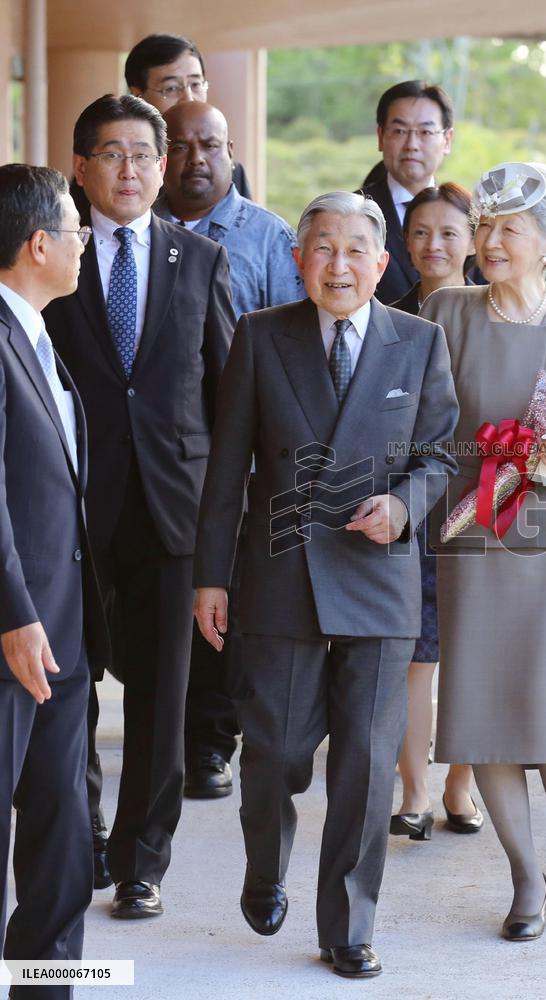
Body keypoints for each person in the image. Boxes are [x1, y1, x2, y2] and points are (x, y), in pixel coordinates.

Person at [193, 192, 458, 979]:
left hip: (378, 575)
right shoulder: (261, 335)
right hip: (279, 572)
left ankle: (348, 925)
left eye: (354, 252)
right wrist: (212, 576)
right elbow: (228, 465)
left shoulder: (420, 341)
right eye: (321, 249)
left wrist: (403, 508)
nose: (337, 266)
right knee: (272, 749)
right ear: (299, 258)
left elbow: (441, 454)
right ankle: (266, 865)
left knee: (369, 765)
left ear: (382, 265)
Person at [43, 94, 235, 919]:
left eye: (142, 155)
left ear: (163, 167)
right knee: (70, 689)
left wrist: (224, 526)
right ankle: (78, 838)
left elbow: (228, 398)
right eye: (111, 154)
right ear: (80, 167)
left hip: (172, 511)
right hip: (72, 506)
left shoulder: (199, 261)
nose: (130, 169)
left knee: (163, 697)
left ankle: (142, 858)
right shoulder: (50, 256)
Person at [421, 162, 546, 938]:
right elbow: (429, 427)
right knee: (481, 705)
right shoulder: (447, 310)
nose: (489, 241)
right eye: (484, 226)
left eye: (509, 228)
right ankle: (523, 875)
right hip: (474, 533)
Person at [157, 100, 303, 799]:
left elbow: (294, 346)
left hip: (244, 454)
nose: (195, 159)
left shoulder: (268, 237)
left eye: (208, 145)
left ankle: (212, 741)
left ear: (231, 149)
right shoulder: (137, 232)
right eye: (180, 146)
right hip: (161, 452)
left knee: (227, 600)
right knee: (170, 597)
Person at [0, 163, 109, 997]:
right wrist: (13, 613)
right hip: (15, 629)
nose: (84, 242)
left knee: (63, 828)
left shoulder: (40, 333)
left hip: (63, 630)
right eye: (75, 228)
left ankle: (45, 985)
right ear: (39, 244)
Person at [388, 183, 481, 839]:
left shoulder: (497, 314)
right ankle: (414, 791)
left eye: (448, 232)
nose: (432, 245)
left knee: (474, 651)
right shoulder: (386, 314)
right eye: (419, 231)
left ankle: (462, 785)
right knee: (415, 653)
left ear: (473, 240)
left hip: (484, 502)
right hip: (409, 501)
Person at [359, 80, 454, 304]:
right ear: (381, 137)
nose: (412, 144)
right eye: (400, 131)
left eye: (426, 131)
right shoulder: (352, 212)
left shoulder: (466, 214)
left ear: (447, 140)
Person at [125, 33, 251, 198]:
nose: (189, 98)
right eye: (171, 88)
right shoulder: (120, 171)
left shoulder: (230, 171)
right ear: (137, 96)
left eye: (196, 84)